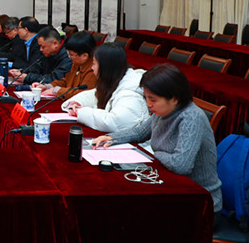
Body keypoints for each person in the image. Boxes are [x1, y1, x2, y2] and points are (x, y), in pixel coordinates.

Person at [93, 63, 222, 215]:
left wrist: (155, 154)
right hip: (171, 186)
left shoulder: (191, 118)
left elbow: (180, 165)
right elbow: (140, 133)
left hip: (200, 202)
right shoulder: (164, 111)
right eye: (146, 98)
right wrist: (111, 137)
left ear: (174, 98)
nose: (148, 105)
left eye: (152, 100)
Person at [62, 42, 149, 133]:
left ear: (105, 68)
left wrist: (82, 112)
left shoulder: (131, 93)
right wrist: (75, 103)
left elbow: (114, 122)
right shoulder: (114, 81)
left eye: (94, 64)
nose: (92, 68)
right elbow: (93, 95)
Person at [32, 31, 96, 99]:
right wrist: (47, 86)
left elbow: (81, 94)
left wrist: (56, 91)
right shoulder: (77, 64)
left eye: (71, 54)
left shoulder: (93, 70)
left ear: (85, 55)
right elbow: (66, 81)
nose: (69, 57)